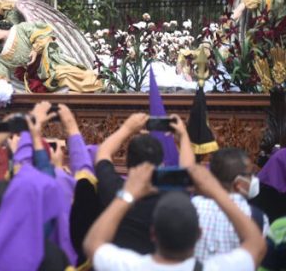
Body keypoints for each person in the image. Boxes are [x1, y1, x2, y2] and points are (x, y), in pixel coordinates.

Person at [84, 163, 267, 270]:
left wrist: (129, 193)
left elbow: (93, 243)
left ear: (153, 233)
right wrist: (216, 191)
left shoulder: (130, 266)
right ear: (199, 234)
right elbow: (256, 244)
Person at [95, 112, 195, 254]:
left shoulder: (114, 190)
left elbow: (103, 153)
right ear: (162, 165)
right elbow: (188, 171)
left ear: (126, 163)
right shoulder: (174, 195)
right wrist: (183, 137)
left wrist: (127, 128)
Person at [0, 22, 103, 93]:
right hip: (35, 80)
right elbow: (2, 75)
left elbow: (44, 33)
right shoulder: (2, 56)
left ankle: (100, 86)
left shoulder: (20, 29)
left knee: (64, 75)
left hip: (50, 65)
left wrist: (35, 50)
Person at [193, 147, 269, 261]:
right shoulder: (256, 217)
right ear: (238, 184)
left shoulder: (192, 206)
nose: (253, 179)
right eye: (250, 174)